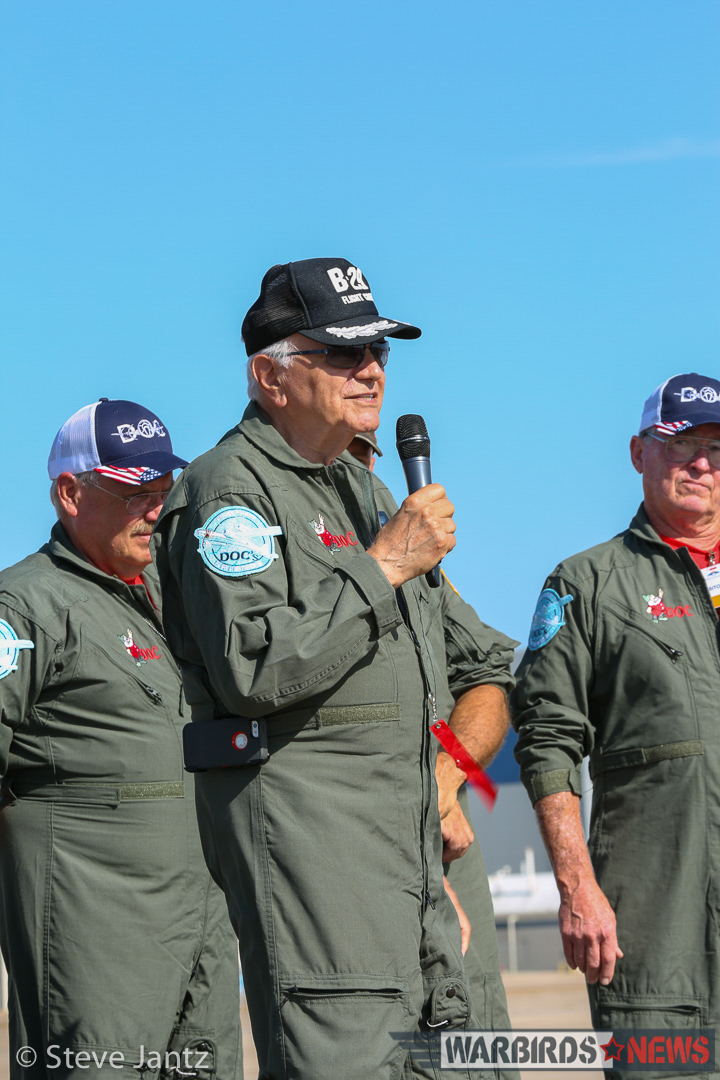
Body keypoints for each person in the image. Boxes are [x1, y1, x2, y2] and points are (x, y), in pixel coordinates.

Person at [152, 258, 485, 1080]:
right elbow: (253, 669)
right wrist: (385, 567)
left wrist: (453, 772)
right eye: (340, 353)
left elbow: (473, 659)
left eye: (377, 350)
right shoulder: (227, 491)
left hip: (404, 874)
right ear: (271, 375)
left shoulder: (366, 492)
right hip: (318, 876)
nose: (369, 369)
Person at [0, 398, 243, 1080]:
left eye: (161, 491)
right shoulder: (23, 607)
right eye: (133, 490)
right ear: (69, 492)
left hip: (199, 924)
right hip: (95, 938)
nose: (153, 509)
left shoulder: (179, 599)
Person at [512, 373, 720, 1064]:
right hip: (656, 930)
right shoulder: (588, 585)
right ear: (638, 453)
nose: (700, 462)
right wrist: (577, 887)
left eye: (716, 447)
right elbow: (546, 742)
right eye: (680, 442)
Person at [346, 429, 520, 1051]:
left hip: (444, 827)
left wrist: (445, 780)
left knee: (476, 1027)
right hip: (353, 842)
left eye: (367, 455)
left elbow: (488, 674)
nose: (356, 469)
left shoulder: (419, 565)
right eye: (341, 453)